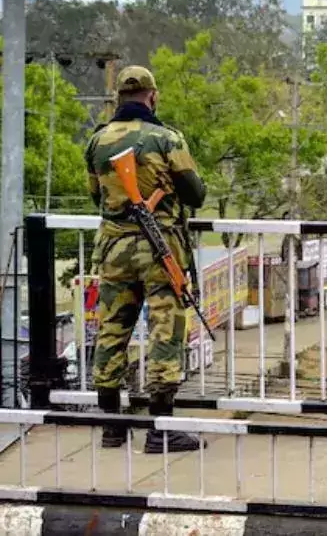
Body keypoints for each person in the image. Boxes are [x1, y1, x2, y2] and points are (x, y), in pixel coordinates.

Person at [85, 66, 207, 453]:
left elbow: (97, 197)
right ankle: (160, 429)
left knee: (112, 330)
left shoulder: (98, 141)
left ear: (120, 97)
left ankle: (111, 426)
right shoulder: (166, 138)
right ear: (152, 96)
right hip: (159, 250)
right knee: (165, 331)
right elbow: (195, 193)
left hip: (114, 249)